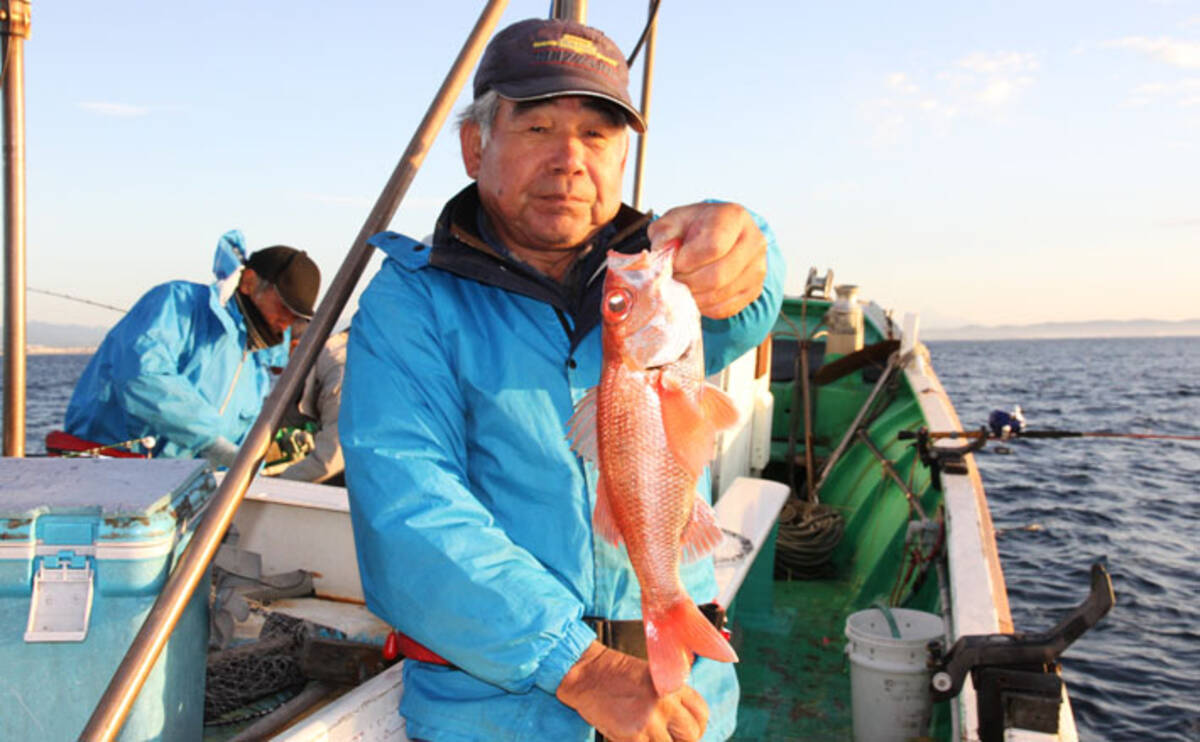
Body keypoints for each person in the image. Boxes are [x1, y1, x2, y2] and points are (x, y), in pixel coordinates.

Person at [340, 18, 784, 742]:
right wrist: (583, 669)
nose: (571, 159)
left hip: (687, 705)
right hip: (499, 715)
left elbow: (748, 296)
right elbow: (410, 508)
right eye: (539, 127)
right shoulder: (412, 301)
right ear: (475, 146)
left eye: (599, 135)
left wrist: (750, 243)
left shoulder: (655, 285)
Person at [64, 230, 320, 468]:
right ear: (249, 282)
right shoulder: (178, 303)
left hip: (181, 485)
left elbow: (238, 437)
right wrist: (210, 442)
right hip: (110, 471)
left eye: (296, 315)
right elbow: (142, 376)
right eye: (284, 306)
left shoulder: (254, 361)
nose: (287, 321)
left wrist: (264, 453)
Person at [263, 327, 349, 484]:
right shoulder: (324, 362)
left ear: (295, 347)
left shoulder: (339, 374)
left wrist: (274, 486)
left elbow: (330, 459)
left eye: (276, 370)